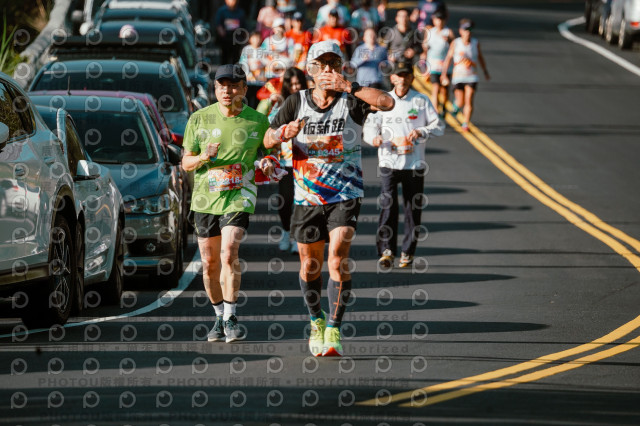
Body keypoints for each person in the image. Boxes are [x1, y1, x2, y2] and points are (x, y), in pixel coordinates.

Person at [264, 41, 395, 357]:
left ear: (342, 68)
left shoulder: (351, 99)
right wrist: (283, 134)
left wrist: (350, 86)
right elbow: (267, 138)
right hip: (307, 196)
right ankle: (316, 320)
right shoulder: (296, 102)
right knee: (310, 266)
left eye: (333, 64)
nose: (327, 70)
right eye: (321, 65)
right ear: (310, 70)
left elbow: (388, 102)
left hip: (345, 194)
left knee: (336, 257)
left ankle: (334, 327)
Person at [182, 64, 276, 343]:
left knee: (228, 252)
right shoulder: (199, 118)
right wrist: (203, 157)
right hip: (205, 198)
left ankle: (231, 316)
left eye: (234, 85)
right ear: (215, 89)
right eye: (222, 85)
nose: (228, 91)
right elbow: (186, 162)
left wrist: (268, 163)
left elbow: (269, 153)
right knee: (209, 262)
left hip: (239, 194)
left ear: (244, 89)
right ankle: (219, 316)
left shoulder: (257, 121)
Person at [363, 59, 444, 268]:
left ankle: (408, 251)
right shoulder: (383, 100)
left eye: (406, 75)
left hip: (414, 164)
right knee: (388, 205)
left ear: (412, 78)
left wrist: (421, 131)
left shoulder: (421, 100)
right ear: (392, 78)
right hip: (389, 162)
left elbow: (439, 126)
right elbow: (370, 126)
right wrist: (375, 138)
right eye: (399, 75)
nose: (402, 79)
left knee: (412, 209)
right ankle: (386, 250)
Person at [258, 68, 308, 253]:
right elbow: (269, 129)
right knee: (286, 200)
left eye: (298, 83)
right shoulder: (281, 105)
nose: (295, 87)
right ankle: (287, 232)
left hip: (307, 161)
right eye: (292, 84)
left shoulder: (310, 104)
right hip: (286, 161)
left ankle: (298, 237)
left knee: (303, 201)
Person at [441, 18, 490, 131]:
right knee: (460, 101)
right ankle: (456, 106)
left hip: (471, 76)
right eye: (465, 30)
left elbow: (480, 57)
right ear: (460, 31)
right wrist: (444, 74)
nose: (468, 32)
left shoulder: (475, 43)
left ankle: (466, 123)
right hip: (458, 76)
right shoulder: (456, 43)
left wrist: (485, 71)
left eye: (470, 30)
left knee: (469, 99)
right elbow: (448, 58)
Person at [422, 7, 454, 118]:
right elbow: (425, 47)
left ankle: (444, 106)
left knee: (444, 89)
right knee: (435, 88)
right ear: (434, 20)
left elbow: (454, 47)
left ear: (444, 20)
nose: (439, 22)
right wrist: (424, 57)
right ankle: (435, 112)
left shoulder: (448, 32)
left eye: (441, 20)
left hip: (445, 66)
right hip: (433, 64)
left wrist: (449, 40)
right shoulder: (430, 32)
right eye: (437, 19)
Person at [239, 31, 268, 108]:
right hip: (249, 79)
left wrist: (261, 62)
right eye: (254, 38)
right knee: (247, 98)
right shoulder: (247, 49)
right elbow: (243, 62)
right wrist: (247, 74)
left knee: (257, 99)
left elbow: (267, 62)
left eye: (258, 38)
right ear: (250, 39)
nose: (256, 40)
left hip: (260, 79)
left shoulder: (263, 50)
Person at [215, 0, 248, 64]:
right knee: (225, 58)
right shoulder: (221, 11)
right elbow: (218, 24)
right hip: (225, 39)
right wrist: (221, 31)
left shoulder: (241, 12)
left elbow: (244, 26)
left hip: (237, 39)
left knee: (236, 59)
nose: (232, 2)